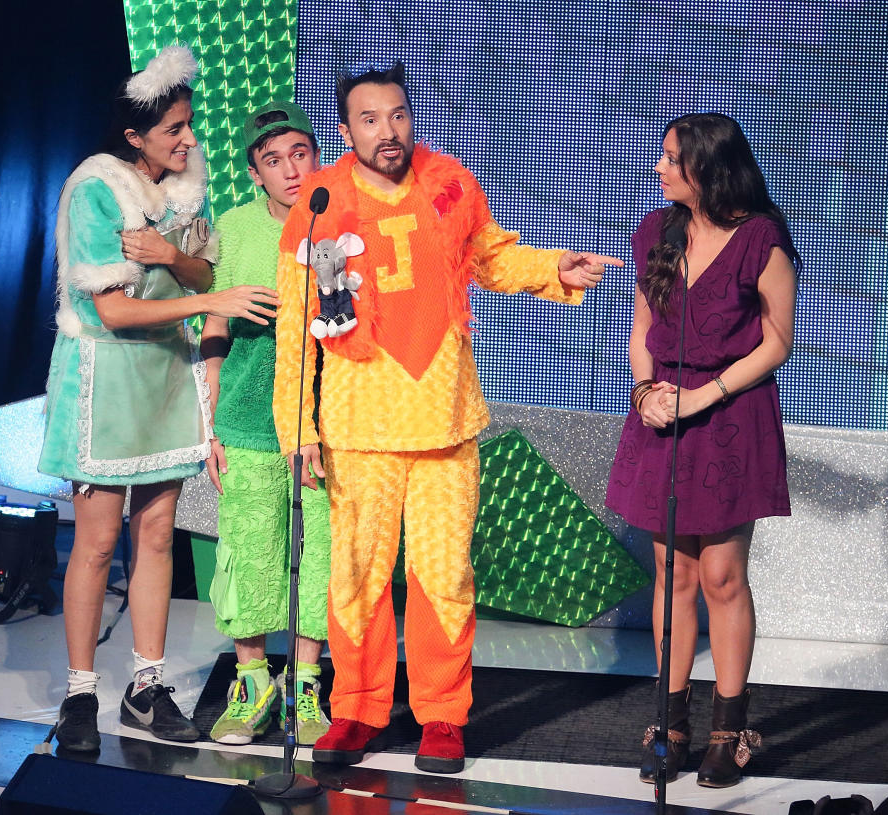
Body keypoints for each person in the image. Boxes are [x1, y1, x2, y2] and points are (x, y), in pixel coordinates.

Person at [271, 62, 621, 773]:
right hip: (357, 425)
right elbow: (294, 324)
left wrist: (557, 268)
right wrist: (297, 427)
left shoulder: (450, 182)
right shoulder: (322, 199)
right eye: (370, 120)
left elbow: (491, 257)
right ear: (345, 130)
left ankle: (441, 714)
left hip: (445, 420)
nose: (389, 130)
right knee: (358, 573)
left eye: (398, 115)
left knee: (443, 574)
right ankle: (358, 709)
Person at [38, 46, 278, 753]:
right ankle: (82, 692)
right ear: (135, 137)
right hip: (106, 379)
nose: (190, 139)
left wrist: (177, 262)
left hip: (166, 374)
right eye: (175, 129)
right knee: (99, 538)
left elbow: (200, 263)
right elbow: (111, 311)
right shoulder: (95, 191)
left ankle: (146, 687)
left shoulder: (182, 187)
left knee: (155, 531)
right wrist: (209, 298)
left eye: (190, 124)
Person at [606, 112, 798, 788]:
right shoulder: (658, 232)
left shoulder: (761, 239)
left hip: (729, 418)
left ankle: (729, 728)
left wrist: (703, 395)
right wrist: (643, 391)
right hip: (663, 418)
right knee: (674, 578)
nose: (657, 169)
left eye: (669, 159)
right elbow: (641, 329)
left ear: (707, 169)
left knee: (721, 577)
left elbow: (777, 342)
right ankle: (672, 721)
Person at [200, 101, 332, 746]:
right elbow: (215, 327)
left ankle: (306, 685)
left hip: (331, 419)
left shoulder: (346, 221)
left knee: (324, 552)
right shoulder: (233, 229)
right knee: (251, 550)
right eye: (272, 160)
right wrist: (212, 425)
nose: (290, 169)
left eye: (300, 154)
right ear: (255, 172)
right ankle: (252, 681)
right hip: (249, 417)